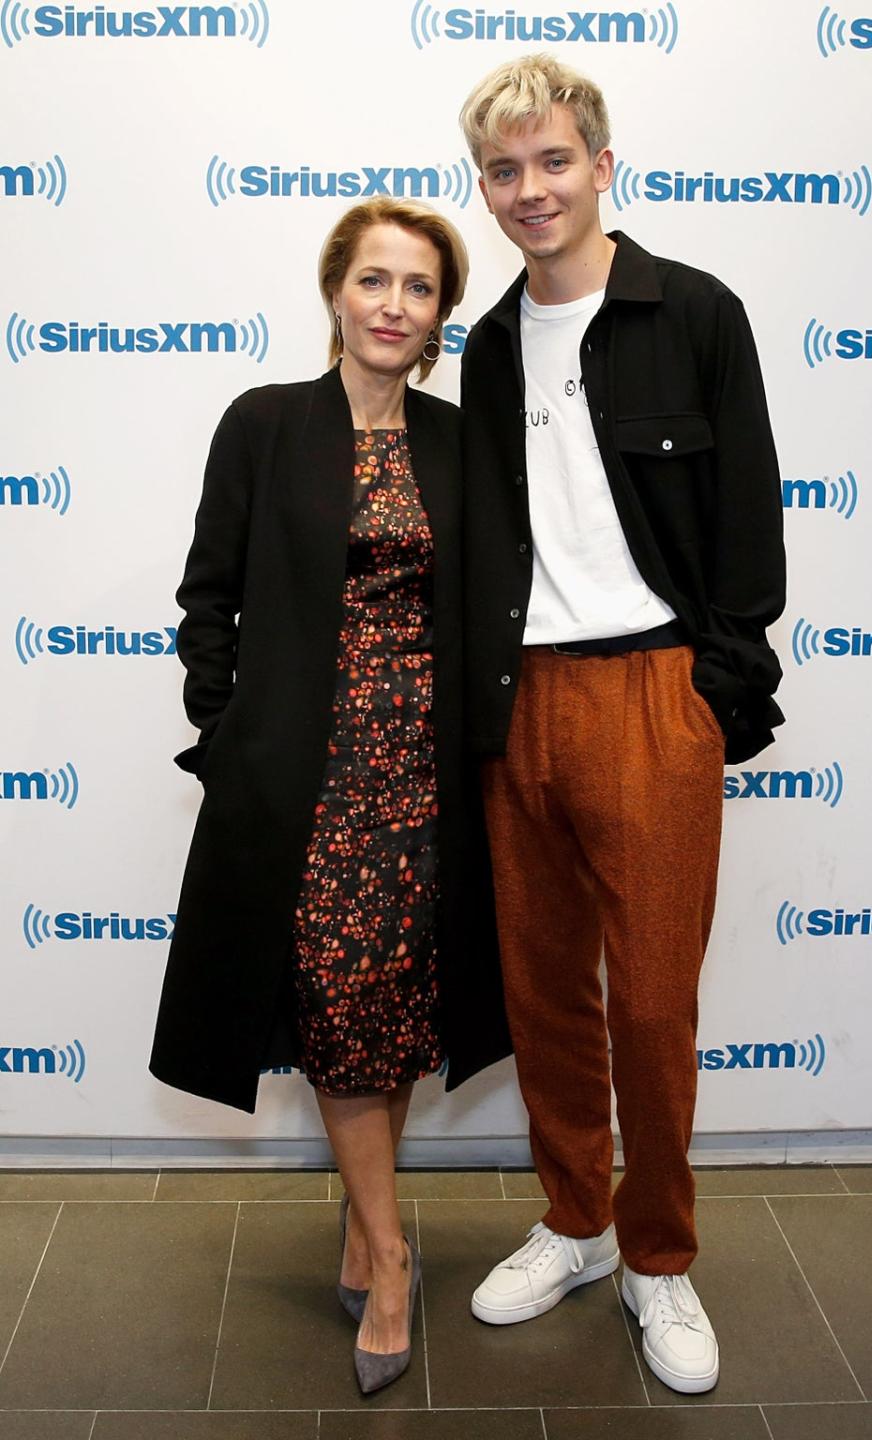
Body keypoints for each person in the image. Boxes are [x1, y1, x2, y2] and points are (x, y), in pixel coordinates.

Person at [458, 56, 785, 1394]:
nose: (529, 191)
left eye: (552, 161)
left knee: (650, 1004)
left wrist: (715, 689)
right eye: (502, 171)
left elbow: (750, 517)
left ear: (602, 162)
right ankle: (578, 1224)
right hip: (518, 702)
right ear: (482, 188)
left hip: (656, 693)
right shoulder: (484, 346)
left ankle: (659, 1259)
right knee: (545, 1001)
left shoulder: (693, 313)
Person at [149, 197, 510, 1395]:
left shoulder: (461, 444)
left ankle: (363, 1222)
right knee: (345, 990)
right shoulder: (264, 425)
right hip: (309, 770)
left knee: (396, 999)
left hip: (431, 770)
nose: (393, 306)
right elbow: (210, 597)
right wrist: (229, 724)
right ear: (335, 292)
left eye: (418, 289)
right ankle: (395, 1256)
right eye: (375, 281)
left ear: (441, 315)